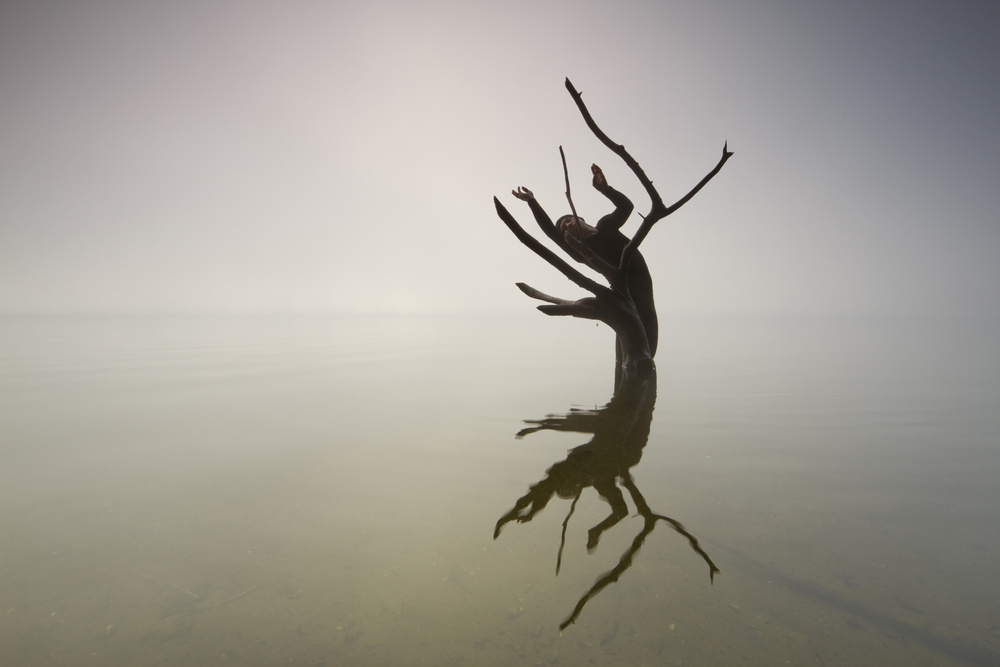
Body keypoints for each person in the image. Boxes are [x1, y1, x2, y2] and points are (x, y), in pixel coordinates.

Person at [512, 164, 658, 357]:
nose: (568, 225)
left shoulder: (606, 226)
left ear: (580, 218)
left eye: (569, 220)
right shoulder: (581, 252)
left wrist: (605, 189)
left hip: (644, 295)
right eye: (564, 228)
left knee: (647, 354)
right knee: (624, 359)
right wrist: (532, 201)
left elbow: (626, 207)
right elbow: (550, 231)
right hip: (622, 297)